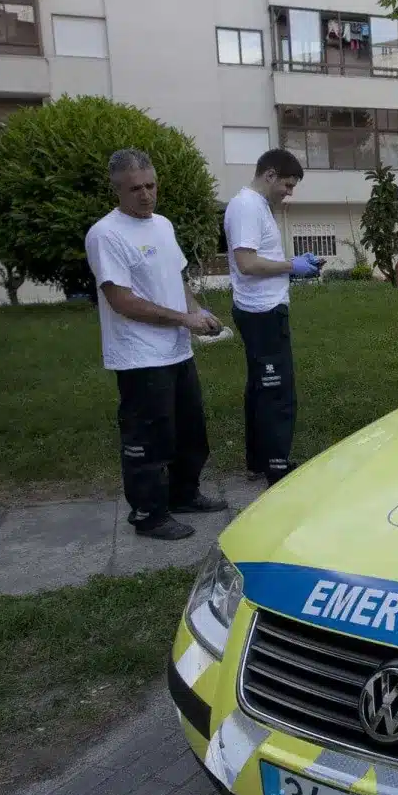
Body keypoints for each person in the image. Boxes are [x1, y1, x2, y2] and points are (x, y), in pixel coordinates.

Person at [86, 148, 228, 541]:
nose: (146, 195)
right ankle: (148, 515)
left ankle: (184, 495)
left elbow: (176, 279)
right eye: (135, 189)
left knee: (189, 431)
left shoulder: (162, 225)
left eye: (150, 185)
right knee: (149, 438)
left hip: (177, 350)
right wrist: (185, 320)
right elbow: (122, 301)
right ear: (117, 190)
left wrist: (199, 312)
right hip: (138, 356)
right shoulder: (106, 235)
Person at [223, 148, 319, 485]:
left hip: (261, 309)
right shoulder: (248, 206)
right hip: (261, 314)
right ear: (270, 175)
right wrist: (292, 266)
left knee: (261, 389)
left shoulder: (255, 206)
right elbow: (247, 263)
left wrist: (290, 268)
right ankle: (277, 468)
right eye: (288, 185)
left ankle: (258, 461)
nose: (289, 192)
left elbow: (259, 259)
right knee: (277, 391)